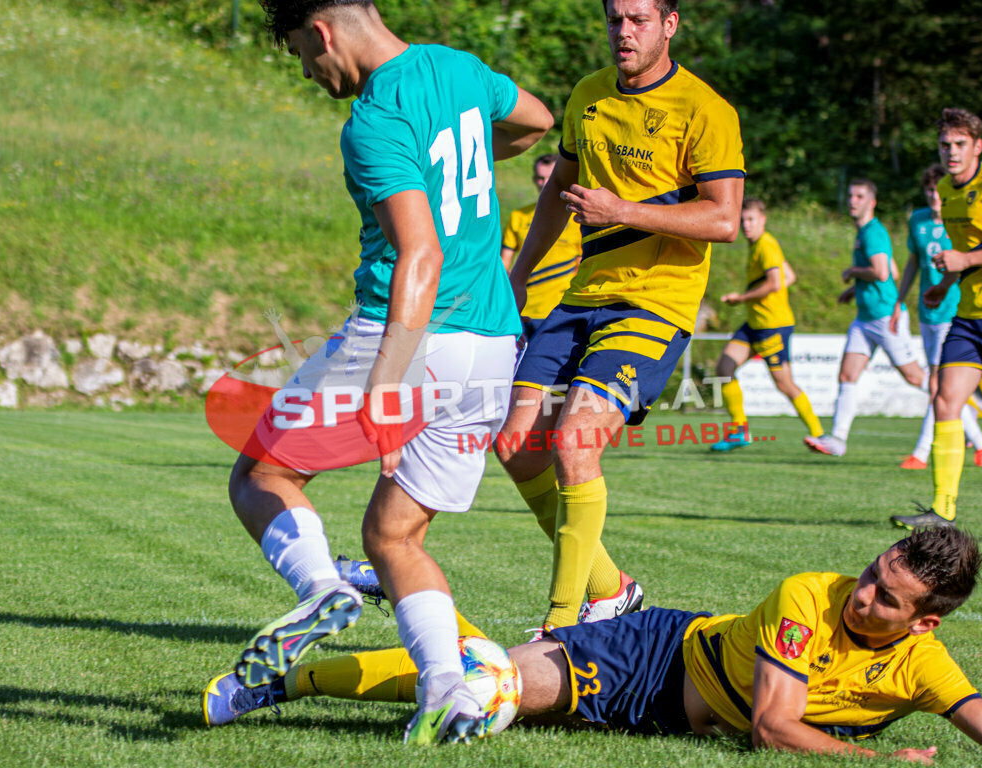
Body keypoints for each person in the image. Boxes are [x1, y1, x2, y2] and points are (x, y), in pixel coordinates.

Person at [226, 0, 553, 744]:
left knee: (261, 476)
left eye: (301, 55)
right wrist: (461, 152)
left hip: (408, 336)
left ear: (321, 32)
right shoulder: (460, 69)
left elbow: (421, 254)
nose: (309, 73)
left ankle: (320, 588)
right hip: (492, 347)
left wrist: (386, 382)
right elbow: (535, 122)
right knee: (394, 536)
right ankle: (447, 695)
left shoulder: (372, 121)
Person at [203, 528, 982, 762]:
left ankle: (400, 586)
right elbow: (774, 728)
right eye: (871, 574)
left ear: (924, 623)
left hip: (668, 720)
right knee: (490, 692)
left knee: (485, 680)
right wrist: (878, 762)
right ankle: (284, 682)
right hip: (655, 656)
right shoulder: (811, 595)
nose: (863, 594)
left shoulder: (923, 665)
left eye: (886, 598)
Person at [493, 0, 745, 636]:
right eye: (614, 20)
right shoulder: (588, 94)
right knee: (516, 447)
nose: (623, 32)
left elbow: (724, 219)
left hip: (654, 303)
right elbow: (559, 191)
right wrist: (518, 276)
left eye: (638, 20)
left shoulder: (706, 109)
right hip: (580, 297)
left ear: (670, 24)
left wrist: (623, 211)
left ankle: (564, 623)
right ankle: (612, 589)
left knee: (575, 441)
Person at [892, 108, 982, 530]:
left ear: (977, 146)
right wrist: (946, 283)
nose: (951, 151)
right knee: (946, 400)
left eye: (960, 144)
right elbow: (967, 251)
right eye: (945, 144)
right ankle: (942, 511)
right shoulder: (946, 190)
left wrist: (962, 261)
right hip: (968, 315)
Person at [806, 180, 925, 457]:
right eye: (850, 195)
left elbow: (881, 272)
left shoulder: (873, 232)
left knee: (915, 377)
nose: (853, 201)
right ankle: (837, 440)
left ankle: (961, 413)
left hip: (885, 317)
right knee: (847, 375)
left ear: (872, 202)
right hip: (865, 318)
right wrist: (854, 290)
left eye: (860, 196)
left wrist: (853, 272)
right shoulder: (866, 232)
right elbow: (893, 271)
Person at [892, 165, 982, 471]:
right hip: (928, 310)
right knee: (940, 386)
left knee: (938, 384)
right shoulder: (918, 220)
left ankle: (921, 453)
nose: (934, 196)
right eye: (929, 190)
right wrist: (899, 300)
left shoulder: (961, 220)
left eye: (938, 190)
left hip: (954, 310)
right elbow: (913, 262)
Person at [710, 197, 823, 451]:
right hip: (754, 324)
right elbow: (789, 276)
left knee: (784, 384)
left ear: (763, 220)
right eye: (742, 220)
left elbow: (774, 283)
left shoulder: (766, 245)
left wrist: (741, 298)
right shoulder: (758, 246)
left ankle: (819, 434)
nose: (746, 225)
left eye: (751, 219)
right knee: (724, 368)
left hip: (772, 326)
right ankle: (739, 431)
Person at [501, 154, 583, 339]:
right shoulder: (519, 216)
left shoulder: (577, 218)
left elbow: (581, 266)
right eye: (539, 178)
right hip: (522, 309)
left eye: (549, 177)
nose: (544, 183)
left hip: (557, 312)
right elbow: (503, 264)